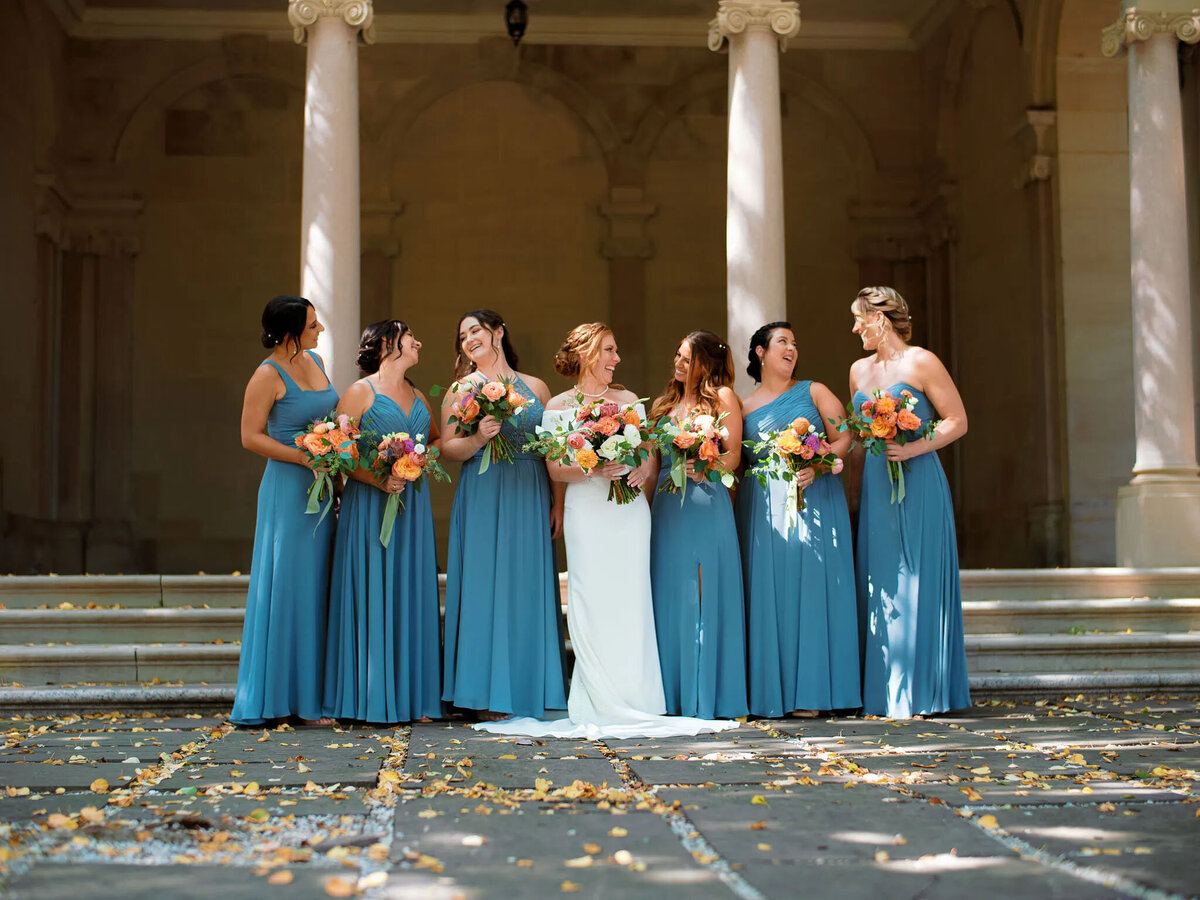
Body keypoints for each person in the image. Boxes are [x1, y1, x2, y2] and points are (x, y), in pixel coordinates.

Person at [479, 324, 736, 739]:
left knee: (632, 597)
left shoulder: (630, 400)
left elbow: (651, 460)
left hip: (629, 513)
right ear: (587, 352)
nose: (617, 359)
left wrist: (639, 467)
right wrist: (594, 465)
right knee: (589, 597)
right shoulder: (559, 406)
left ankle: (639, 698)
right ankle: (596, 697)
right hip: (586, 512)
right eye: (610, 350)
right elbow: (556, 470)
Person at [849, 286, 971, 717]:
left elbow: (958, 420)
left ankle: (922, 692)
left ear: (878, 319)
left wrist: (915, 447)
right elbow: (861, 441)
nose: (854, 328)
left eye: (859, 319)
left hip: (919, 481)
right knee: (880, 582)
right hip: (879, 487)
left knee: (917, 579)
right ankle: (884, 691)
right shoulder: (858, 370)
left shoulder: (922, 361)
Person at [440, 309, 568, 721]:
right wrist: (478, 436)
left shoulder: (536, 387)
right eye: (462, 336)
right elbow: (447, 447)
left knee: (526, 585)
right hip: (483, 491)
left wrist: (559, 502)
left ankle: (532, 686)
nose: (468, 340)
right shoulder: (462, 388)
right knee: (484, 586)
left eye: (475, 330)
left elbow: (554, 450)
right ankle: (482, 693)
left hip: (530, 492)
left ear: (497, 332)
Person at [736, 322, 860, 718]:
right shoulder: (743, 407)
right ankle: (777, 692)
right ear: (760, 352)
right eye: (782, 342)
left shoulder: (814, 391)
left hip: (817, 499)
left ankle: (814, 693)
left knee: (815, 589)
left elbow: (844, 437)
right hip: (765, 509)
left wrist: (820, 464)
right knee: (775, 595)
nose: (791, 349)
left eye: (795, 343)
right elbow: (739, 462)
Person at [322, 320, 442, 724]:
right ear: (389, 344)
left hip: (414, 510)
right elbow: (339, 451)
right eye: (411, 336)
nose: (418, 341)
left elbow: (436, 441)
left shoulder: (419, 394)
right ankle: (368, 697)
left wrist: (420, 460)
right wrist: (381, 475)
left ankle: (414, 698)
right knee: (372, 589)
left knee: (411, 591)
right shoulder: (360, 392)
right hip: (371, 508)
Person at [232, 295, 337, 726]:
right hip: (289, 491)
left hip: (325, 486)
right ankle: (280, 700)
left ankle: (313, 698)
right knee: (291, 587)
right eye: (313, 325)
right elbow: (249, 436)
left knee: (318, 586)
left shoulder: (315, 362)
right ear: (291, 331)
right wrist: (302, 458)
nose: (321, 330)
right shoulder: (266, 374)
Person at [648, 331, 749, 721]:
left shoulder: (723, 399)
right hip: (667, 507)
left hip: (706, 503)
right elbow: (653, 462)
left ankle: (707, 695)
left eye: (686, 358)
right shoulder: (662, 405)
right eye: (676, 354)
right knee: (672, 595)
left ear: (705, 364)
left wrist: (706, 465)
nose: (678, 363)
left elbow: (735, 456)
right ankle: (673, 695)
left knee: (705, 595)